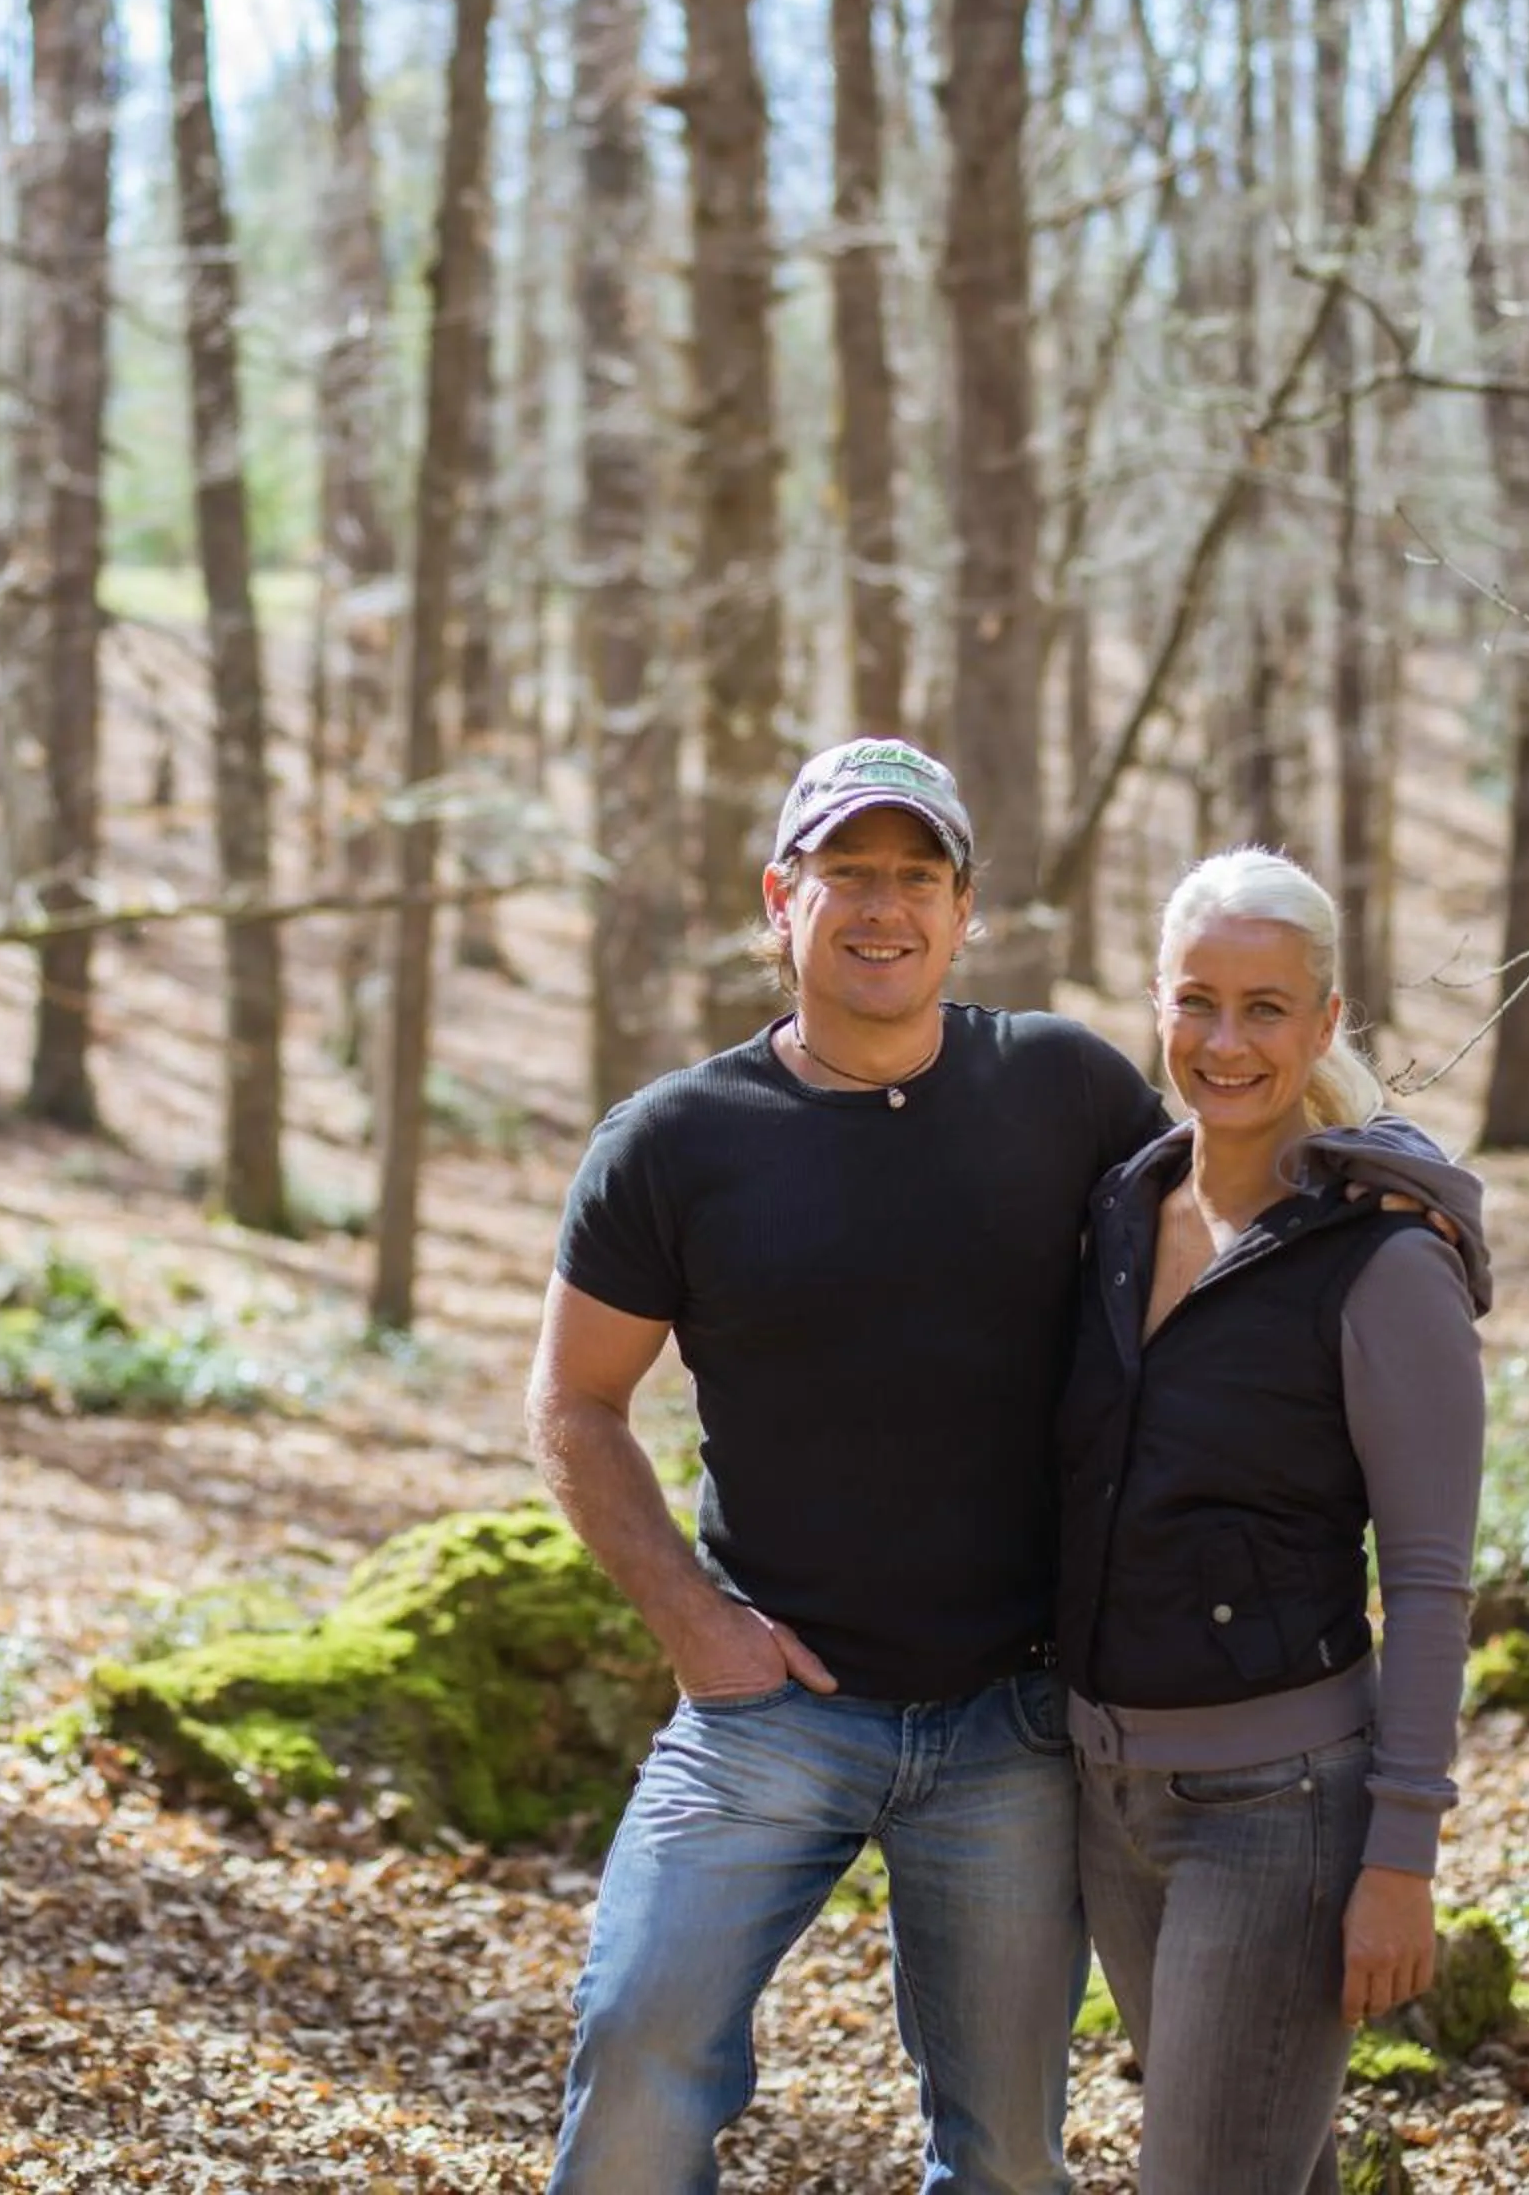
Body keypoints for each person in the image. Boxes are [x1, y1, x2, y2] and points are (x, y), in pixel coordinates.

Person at [527, 736, 1171, 2195]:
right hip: (772, 1708)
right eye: (847, 874)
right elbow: (574, 1403)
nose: (882, 907)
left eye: (917, 878)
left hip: (1012, 1720)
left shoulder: (1069, 1092)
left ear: (964, 911)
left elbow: (1228, 1246)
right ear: (782, 896)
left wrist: (1392, 1199)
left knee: (1007, 2153)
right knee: (637, 2055)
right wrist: (699, 1629)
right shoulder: (676, 1143)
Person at [1056, 847, 1491, 2195]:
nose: (1225, 1042)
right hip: (1102, 1794)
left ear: (1325, 1025)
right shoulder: (1121, 1210)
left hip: (1280, 1811)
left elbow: (1427, 1582)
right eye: (1197, 1003)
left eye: (1264, 1008)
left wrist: (1401, 1859)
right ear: (1155, 1006)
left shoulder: (1383, 1259)